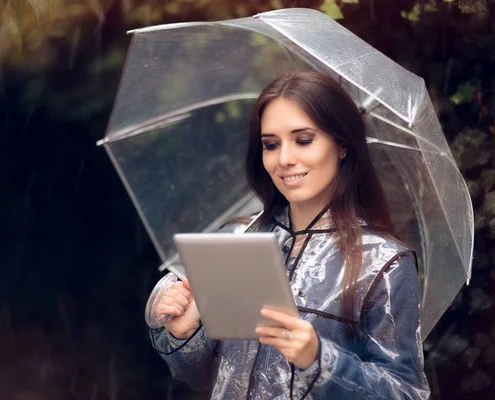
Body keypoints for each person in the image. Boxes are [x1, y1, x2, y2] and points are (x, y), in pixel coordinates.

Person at [148, 71, 431, 399]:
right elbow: (203, 375)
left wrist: (319, 359)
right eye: (270, 145)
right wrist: (187, 334)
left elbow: (407, 393)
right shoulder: (238, 237)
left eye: (304, 139)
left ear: (342, 146)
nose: (284, 159)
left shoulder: (383, 262)